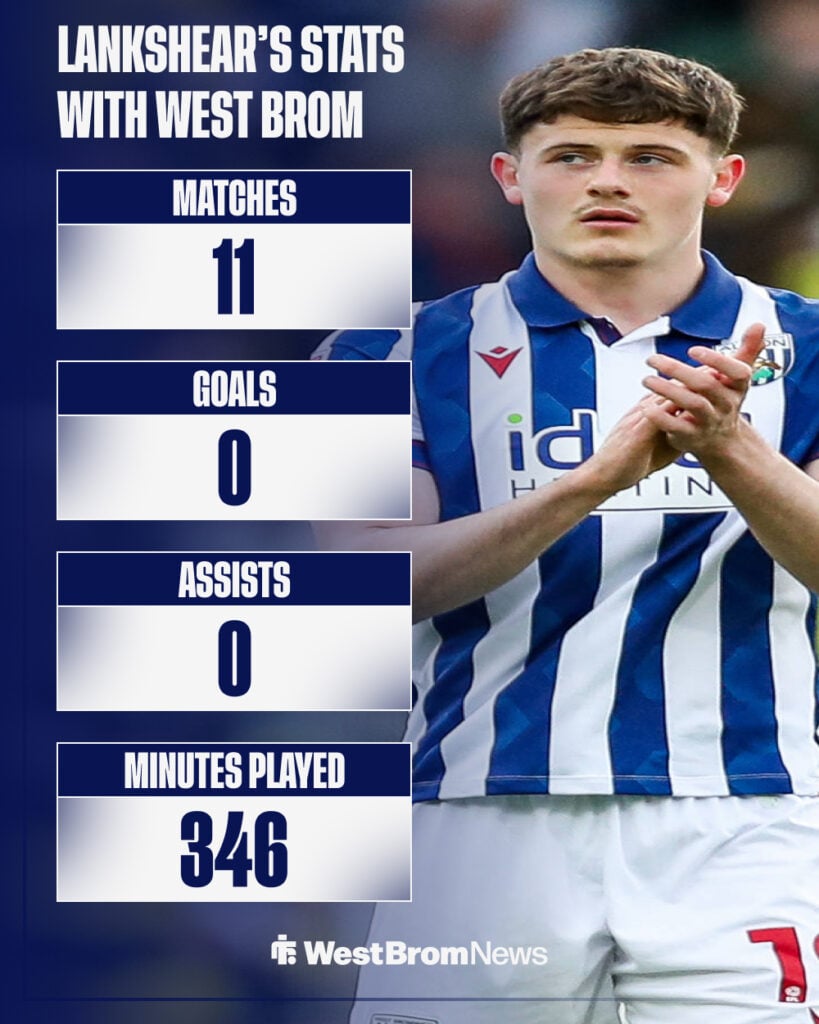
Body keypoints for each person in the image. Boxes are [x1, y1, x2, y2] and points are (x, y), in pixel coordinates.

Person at [314, 47, 819, 1023]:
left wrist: (729, 447)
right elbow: (363, 582)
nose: (608, 182)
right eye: (573, 154)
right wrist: (588, 484)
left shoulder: (816, 346)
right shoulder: (383, 350)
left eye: (652, 156)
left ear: (725, 175)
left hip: (746, 819)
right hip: (472, 815)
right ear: (511, 175)